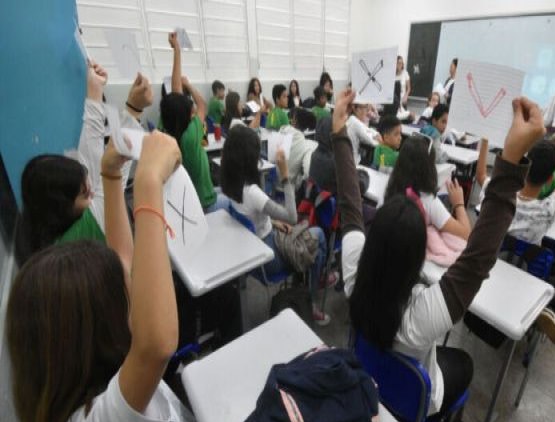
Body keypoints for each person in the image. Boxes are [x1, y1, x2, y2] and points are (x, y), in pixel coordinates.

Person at [7, 131, 217, 422]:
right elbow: (156, 344)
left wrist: (111, 175)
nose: (132, 288)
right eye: (122, 292)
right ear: (95, 328)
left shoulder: (97, 382)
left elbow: (121, 258)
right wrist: (149, 184)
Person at [332, 87, 543, 417]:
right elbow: (477, 258)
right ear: (418, 254)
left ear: (373, 241)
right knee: (463, 363)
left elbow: (350, 204)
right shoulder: (420, 315)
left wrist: (339, 132)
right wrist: (511, 163)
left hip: (368, 377)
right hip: (417, 403)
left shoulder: (353, 274)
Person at [16, 63, 150, 265]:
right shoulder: (79, 238)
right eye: (85, 194)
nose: (94, 192)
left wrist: (96, 92)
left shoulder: (40, 237)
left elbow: (90, 161)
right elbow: (109, 176)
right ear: (60, 208)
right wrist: (132, 109)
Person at [475, 126, 555, 348]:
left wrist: (486, 134)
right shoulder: (547, 209)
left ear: (523, 168)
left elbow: (480, 175)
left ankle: (538, 312)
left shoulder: (497, 194)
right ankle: (537, 314)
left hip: (485, 278)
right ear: (548, 180)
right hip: (520, 292)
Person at [220, 126, 334, 325]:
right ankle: (311, 301)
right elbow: (292, 216)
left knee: (305, 234)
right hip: (269, 258)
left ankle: (304, 279)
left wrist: (272, 222)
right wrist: (285, 176)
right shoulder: (252, 191)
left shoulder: (229, 184)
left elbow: (251, 216)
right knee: (319, 237)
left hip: (254, 251)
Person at [161, 32, 227, 213]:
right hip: (206, 203)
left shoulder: (170, 130)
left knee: (229, 191)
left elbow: (175, 93)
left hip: (191, 200)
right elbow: (202, 105)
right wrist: (188, 85)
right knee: (239, 200)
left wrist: (177, 51)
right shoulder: (190, 135)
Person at [385, 136, 471, 240]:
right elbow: (466, 234)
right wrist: (459, 204)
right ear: (429, 168)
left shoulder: (390, 188)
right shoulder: (428, 200)